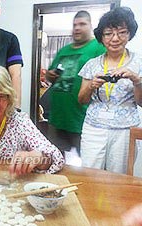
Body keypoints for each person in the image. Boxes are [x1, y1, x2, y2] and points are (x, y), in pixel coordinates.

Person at [78, 7, 142, 174]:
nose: (115, 38)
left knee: (118, 178)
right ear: (102, 36)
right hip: (94, 129)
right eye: (108, 33)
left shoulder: (139, 63)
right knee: (90, 173)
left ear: (129, 34)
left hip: (125, 131)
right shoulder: (92, 64)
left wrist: (137, 80)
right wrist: (91, 85)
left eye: (122, 32)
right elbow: (81, 99)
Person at [45, 11, 105, 156]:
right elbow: (49, 75)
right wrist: (50, 75)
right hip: (57, 118)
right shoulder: (64, 50)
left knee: (89, 165)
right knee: (53, 161)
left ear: (90, 26)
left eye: (82, 24)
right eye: (74, 25)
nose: (77, 28)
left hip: (82, 119)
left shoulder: (98, 47)